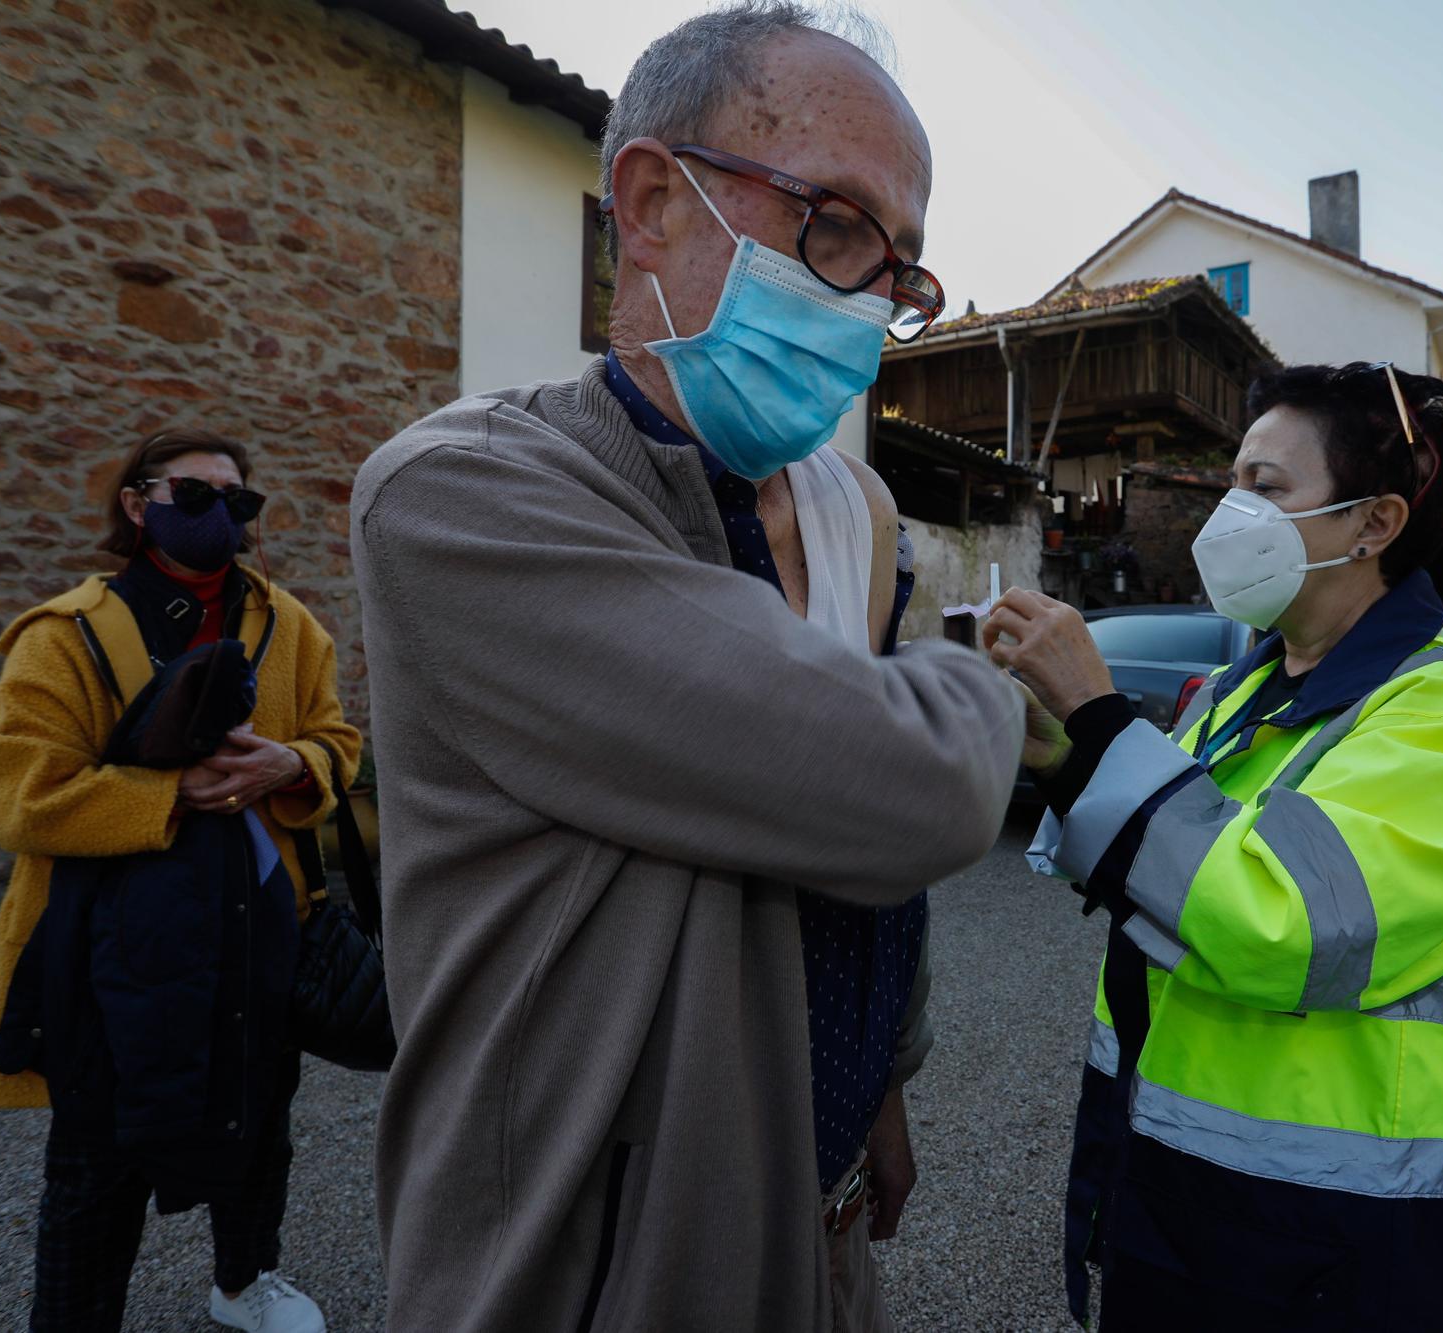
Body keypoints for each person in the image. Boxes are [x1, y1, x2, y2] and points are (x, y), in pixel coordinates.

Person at [349, 5, 1023, 1330]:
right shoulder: (459, 496)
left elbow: (853, 870)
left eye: (899, 269)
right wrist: (990, 680)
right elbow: (913, 788)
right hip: (593, 1275)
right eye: (835, 226)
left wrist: (880, 1079)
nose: (870, 301)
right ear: (652, 203)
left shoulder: (846, 513)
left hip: (818, 1229)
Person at [992, 362, 1443, 1330]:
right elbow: (1173, 859)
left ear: (1371, 523)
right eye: (1231, 483)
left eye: (1266, 487)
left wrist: (1098, 711)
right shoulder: (1242, 686)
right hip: (1177, 1165)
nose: (1226, 515)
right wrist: (1065, 755)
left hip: (1341, 1222)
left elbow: (1285, 923)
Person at [0, 429, 362, 1333]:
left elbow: (339, 746)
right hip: (116, 942)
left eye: (237, 499)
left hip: (261, 924)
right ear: (138, 504)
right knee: (97, 1157)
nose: (218, 514)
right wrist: (172, 791)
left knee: (259, 1123)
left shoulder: (291, 625)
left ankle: (243, 1279)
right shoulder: (63, 636)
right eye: (194, 494)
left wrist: (290, 765)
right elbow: (18, 795)